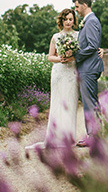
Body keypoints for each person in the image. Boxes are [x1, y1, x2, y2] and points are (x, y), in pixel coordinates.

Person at [26, 8, 79, 150]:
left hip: (71, 73)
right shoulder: (55, 37)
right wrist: (60, 58)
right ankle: (55, 137)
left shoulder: (78, 36)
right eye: (66, 19)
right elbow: (50, 57)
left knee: (70, 102)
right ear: (61, 21)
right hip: (59, 72)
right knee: (57, 103)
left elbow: (82, 54)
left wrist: (72, 57)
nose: (68, 22)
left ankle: (68, 137)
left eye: (70, 19)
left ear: (74, 21)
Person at [72, 0, 104, 147]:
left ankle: (93, 137)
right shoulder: (90, 21)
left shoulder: (91, 21)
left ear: (84, 5)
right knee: (91, 102)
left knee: (89, 103)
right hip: (88, 67)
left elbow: (92, 46)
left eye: (77, 6)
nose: (76, 10)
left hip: (88, 68)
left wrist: (75, 55)